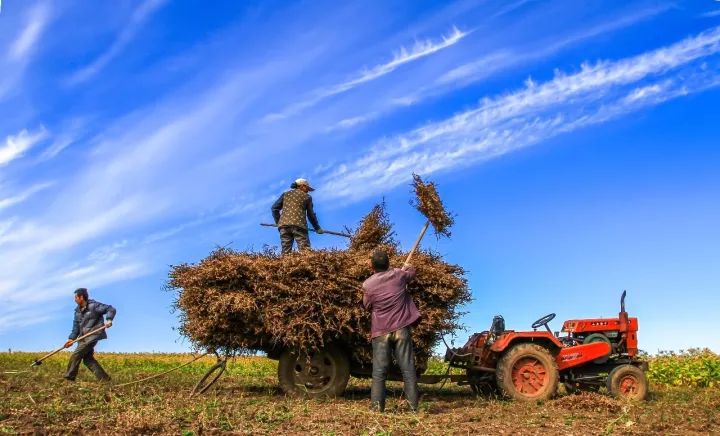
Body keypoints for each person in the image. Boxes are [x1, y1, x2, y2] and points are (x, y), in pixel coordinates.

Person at [362, 250, 420, 412]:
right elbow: (411, 273)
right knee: (408, 369)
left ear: (372, 266)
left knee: (379, 372)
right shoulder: (398, 275)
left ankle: (376, 409)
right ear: (388, 264)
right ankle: (413, 408)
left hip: (381, 332)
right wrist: (408, 266)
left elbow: (366, 305)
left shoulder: (368, 284)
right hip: (401, 329)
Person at [63, 288, 116, 382]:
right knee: (88, 360)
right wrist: (71, 339)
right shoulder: (77, 312)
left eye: (76, 297)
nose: (74, 299)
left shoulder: (94, 306)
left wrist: (109, 319)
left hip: (93, 335)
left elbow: (110, 309)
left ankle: (69, 379)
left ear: (81, 297)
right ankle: (105, 380)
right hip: (82, 338)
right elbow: (76, 327)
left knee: (76, 355)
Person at [271, 178, 324, 254]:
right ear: (302, 186)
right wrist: (317, 228)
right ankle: (307, 265)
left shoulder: (285, 194)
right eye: (307, 188)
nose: (308, 191)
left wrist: (278, 222)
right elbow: (310, 215)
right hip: (299, 226)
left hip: (284, 226)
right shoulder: (307, 197)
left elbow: (274, 208)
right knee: (305, 251)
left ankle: (285, 265)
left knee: (286, 251)